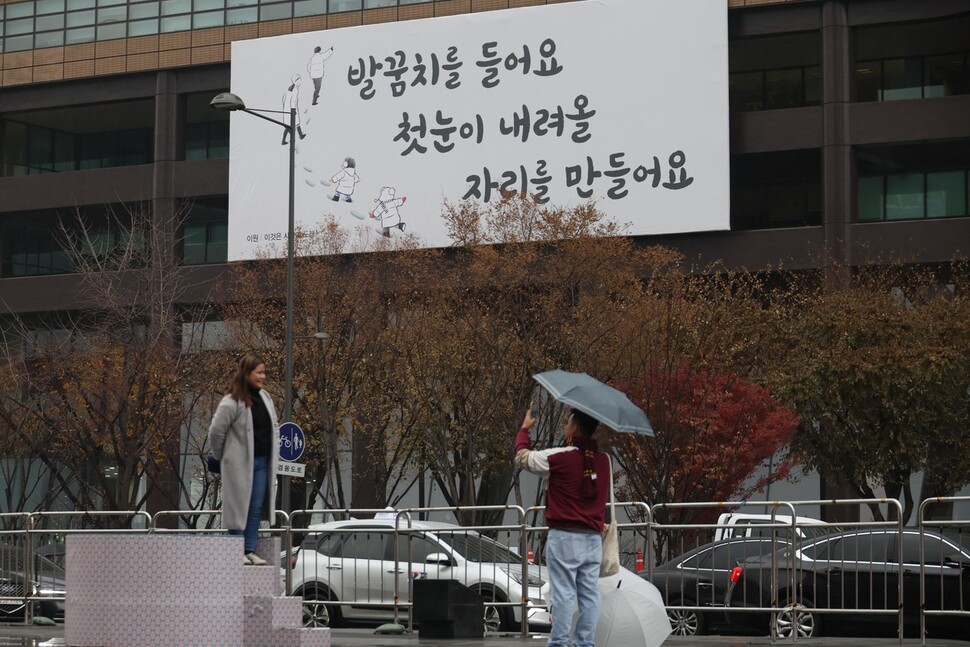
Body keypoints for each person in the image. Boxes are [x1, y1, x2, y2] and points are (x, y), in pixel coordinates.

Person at [515, 407, 609, 647]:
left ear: (575, 427)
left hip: (565, 537)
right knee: (589, 595)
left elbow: (523, 457)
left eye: (568, 422)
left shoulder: (559, 457)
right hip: (593, 539)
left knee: (564, 594)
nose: (565, 426)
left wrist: (525, 429)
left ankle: (558, 643)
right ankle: (584, 643)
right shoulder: (603, 461)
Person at [208, 354, 280, 565]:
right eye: (259, 372)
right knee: (240, 506)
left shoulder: (265, 397)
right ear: (247, 373)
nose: (263, 376)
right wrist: (223, 457)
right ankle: (236, 549)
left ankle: (249, 549)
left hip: (262, 462)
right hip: (239, 465)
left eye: (264, 372)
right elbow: (215, 432)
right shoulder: (232, 401)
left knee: (255, 506)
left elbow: (273, 426)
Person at [281, 74, 307, 145]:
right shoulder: (295, 90)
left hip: (287, 110)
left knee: (292, 125)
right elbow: (293, 101)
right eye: (299, 81)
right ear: (295, 82)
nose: (300, 82)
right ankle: (296, 137)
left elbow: (283, 99)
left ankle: (300, 135)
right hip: (292, 110)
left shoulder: (289, 89)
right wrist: (294, 110)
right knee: (293, 125)